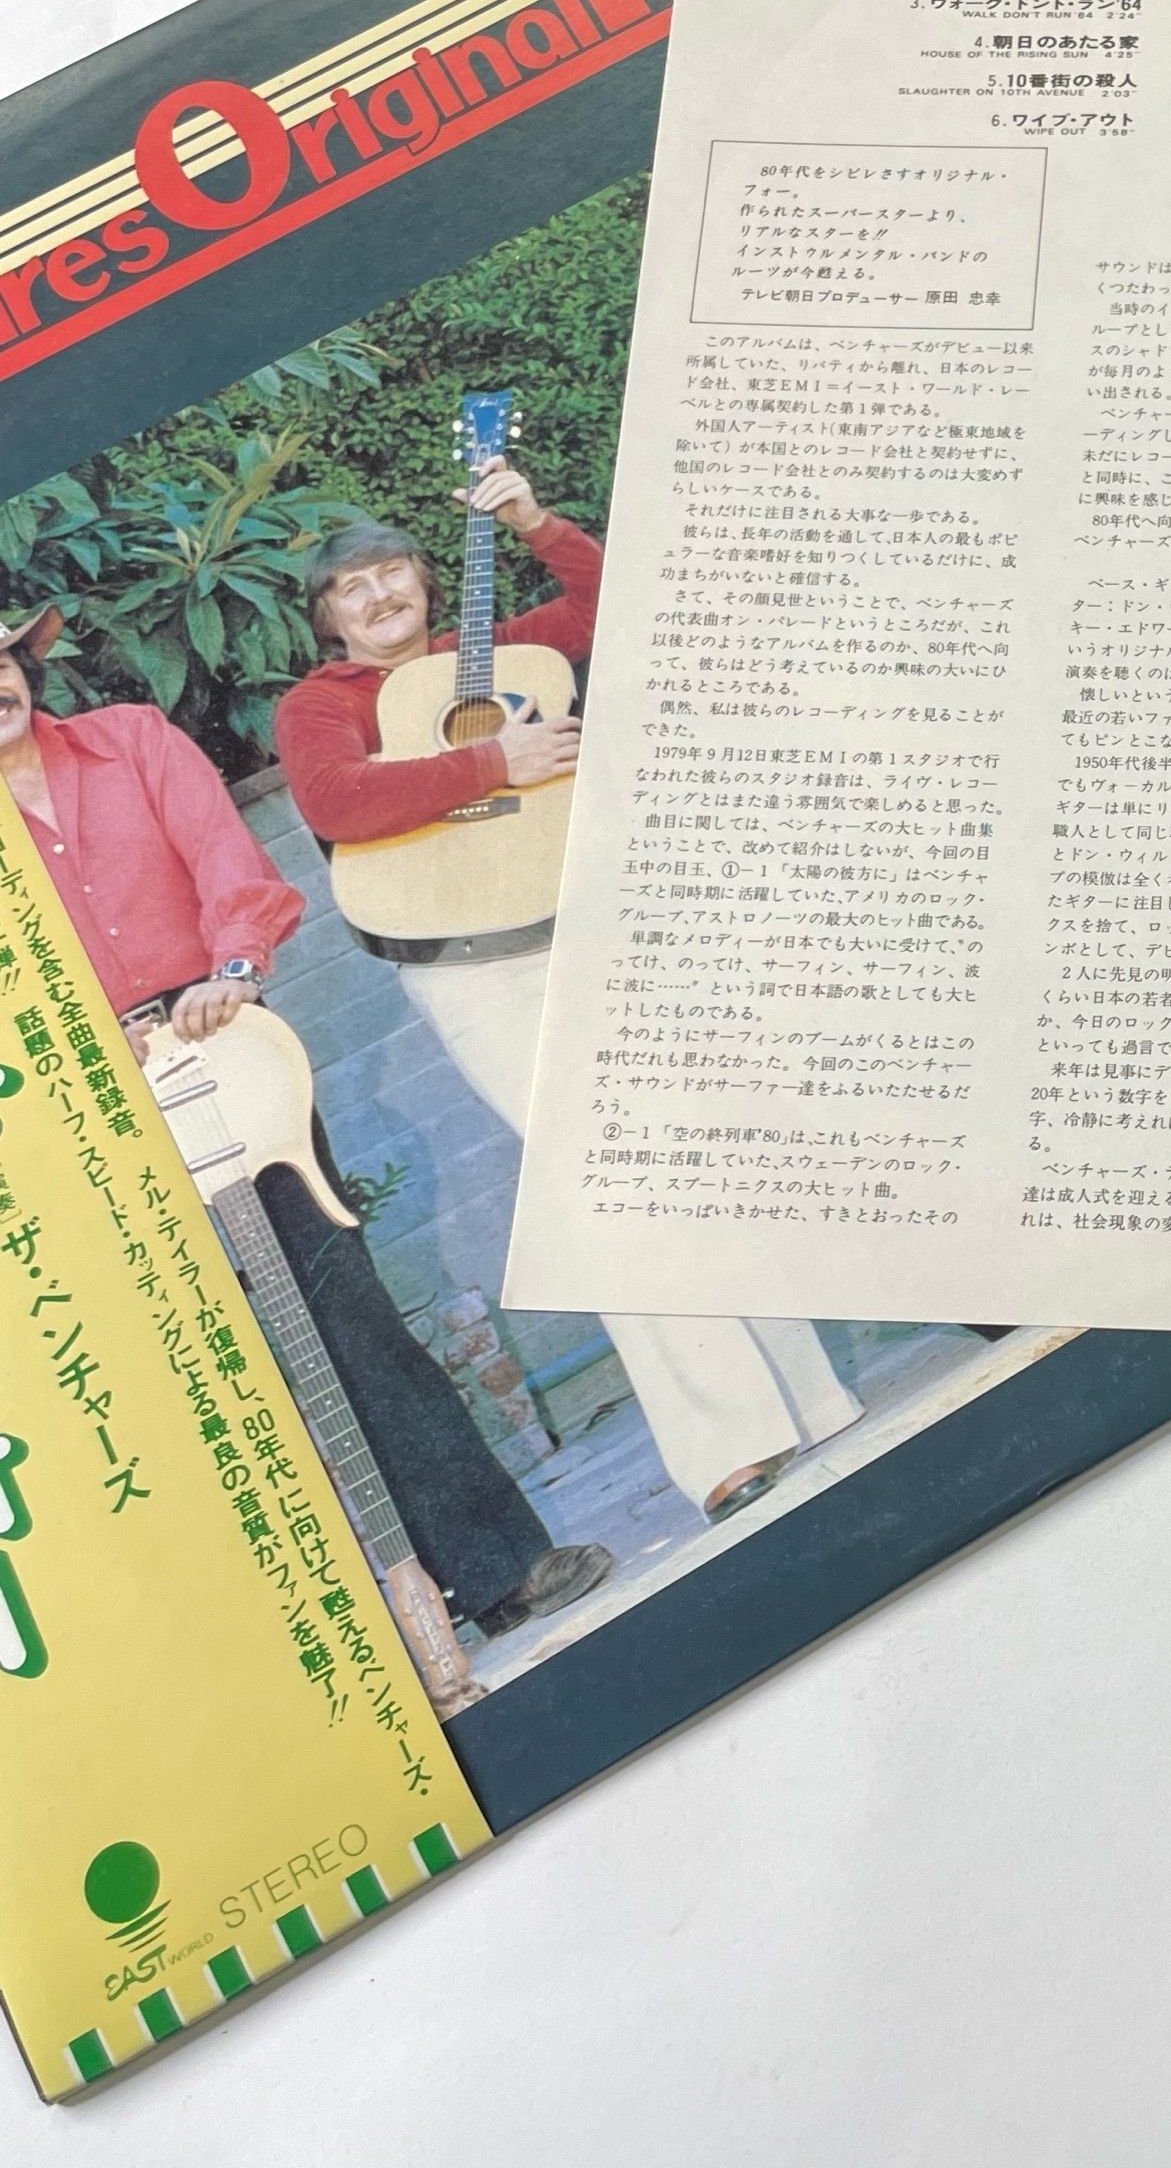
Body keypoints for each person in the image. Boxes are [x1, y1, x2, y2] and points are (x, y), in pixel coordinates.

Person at [0, 605, 614, 1640]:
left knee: (344, 1306)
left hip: (225, 1045)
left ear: (24, 662)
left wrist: (235, 968)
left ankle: (501, 1569)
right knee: (191, 1364)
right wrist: (85, 1049)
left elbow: (227, 861)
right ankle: (324, 1641)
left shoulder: (131, 737)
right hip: (93, 1104)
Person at [273, 465, 864, 1526]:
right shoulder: (321, 705)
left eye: (393, 570)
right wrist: (495, 762)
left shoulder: (499, 657)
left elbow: (605, 603)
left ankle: (805, 1401)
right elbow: (336, 801)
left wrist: (534, 521)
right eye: (351, 588)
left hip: (585, 932)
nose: (379, 594)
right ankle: (724, 1446)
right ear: (329, 621)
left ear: (426, 578)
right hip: (469, 963)